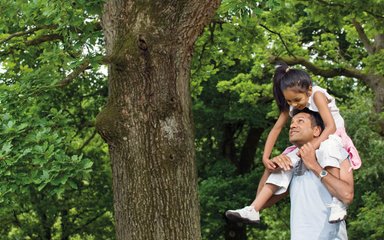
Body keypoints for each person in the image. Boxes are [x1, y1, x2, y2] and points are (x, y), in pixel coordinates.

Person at [227, 62, 360, 223]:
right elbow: (276, 129)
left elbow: (330, 126)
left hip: (333, 135)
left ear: (309, 89)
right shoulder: (292, 104)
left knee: (327, 147)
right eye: (289, 101)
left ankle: (338, 203)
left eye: (296, 99)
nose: (294, 105)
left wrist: (310, 148)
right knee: (287, 160)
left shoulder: (317, 95)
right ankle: (254, 209)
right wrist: (266, 158)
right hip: (316, 140)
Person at [226, 109, 354, 239]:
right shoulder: (290, 162)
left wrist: (314, 165)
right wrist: (270, 169)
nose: (292, 126)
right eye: (292, 123)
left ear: (317, 130)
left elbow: (347, 195)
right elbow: (261, 202)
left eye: (300, 121)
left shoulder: (335, 151)